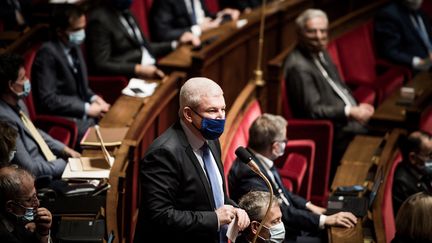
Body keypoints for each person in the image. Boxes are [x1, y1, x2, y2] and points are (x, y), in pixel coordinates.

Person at [134, 77, 250, 243]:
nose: (220, 117)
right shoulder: (163, 154)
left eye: (223, 109)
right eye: (212, 111)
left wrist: (236, 209)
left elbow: (215, 195)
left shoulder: (211, 140)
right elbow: (160, 216)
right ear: (188, 114)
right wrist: (215, 219)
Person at [229, 114, 357, 242]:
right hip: (280, 235)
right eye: (284, 140)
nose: (286, 143)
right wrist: (325, 220)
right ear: (275, 146)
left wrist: (312, 207)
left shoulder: (261, 159)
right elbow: (282, 213)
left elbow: (283, 192)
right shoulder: (250, 173)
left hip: (293, 224)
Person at [283, 9, 374, 176]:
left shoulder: (321, 52)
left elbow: (339, 86)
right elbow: (313, 110)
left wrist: (356, 104)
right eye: (312, 31)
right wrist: (350, 111)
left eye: (323, 31)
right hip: (334, 133)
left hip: (346, 123)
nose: (319, 36)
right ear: (299, 33)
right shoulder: (298, 67)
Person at [32, 4, 110, 142]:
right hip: (62, 117)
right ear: (60, 31)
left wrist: (94, 98)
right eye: (77, 29)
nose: (82, 33)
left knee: (113, 124)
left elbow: (82, 87)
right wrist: (86, 108)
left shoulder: (74, 46)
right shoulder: (47, 53)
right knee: (103, 139)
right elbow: (48, 99)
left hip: (80, 112)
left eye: (83, 28)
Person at [0, 53, 80, 178]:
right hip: (41, 180)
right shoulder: (4, 118)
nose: (27, 80)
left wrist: (64, 149)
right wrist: (64, 164)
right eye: (22, 78)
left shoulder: (18, 101)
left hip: (50, 163)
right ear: (11, 85)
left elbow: (34, 132)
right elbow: (29, 169)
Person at [86, 0, 193, 79]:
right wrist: (138, 69)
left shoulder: (126, 11)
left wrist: (175, 44)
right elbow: (101, 63)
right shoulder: (99, 20)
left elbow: (145, 47)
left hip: (152, 67)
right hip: (131, 77)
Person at [375, 0, 432, 72]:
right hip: (420, 68)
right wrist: (418, 62)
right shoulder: (388, 14)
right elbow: (390, 51)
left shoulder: (419, 9)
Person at [0, 165, 52, 243]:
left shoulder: (18, 221)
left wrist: (42, 232)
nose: (37, 203)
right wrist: (43, 235)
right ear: (10, 206)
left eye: (35, 195)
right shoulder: (5, 237)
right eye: (29, 200)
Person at [149, 0, 240, 43]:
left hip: (205, 37)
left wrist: (221, 14)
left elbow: (204, 16)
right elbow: (162, 34)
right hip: (183, 47)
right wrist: (198, 29)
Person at [392, 131, 432, 216]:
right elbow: (420, 220)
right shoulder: (403, 184)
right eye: (430, 155)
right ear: (413, 157)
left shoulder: (422, 171)